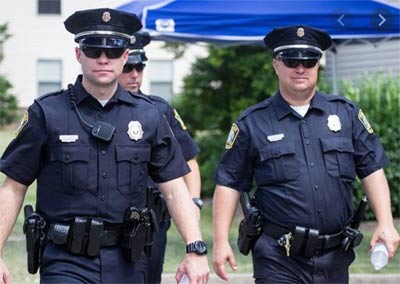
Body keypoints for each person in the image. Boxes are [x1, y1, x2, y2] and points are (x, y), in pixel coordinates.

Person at [0, 8, 209, 284]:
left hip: (128, 261)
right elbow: (14, 188)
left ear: (125, 56)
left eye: (113, 51)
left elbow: (173, 188)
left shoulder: (149, 116)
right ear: (78, 54)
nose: (102, 59)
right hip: (65, 261)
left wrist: (195, 248)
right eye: (93, 49)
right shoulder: (46, 113)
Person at [212, 25, 399, 283]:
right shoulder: (252, 123)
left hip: (335, 257)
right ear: (276, 64)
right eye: (291, 60)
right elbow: (229, 183)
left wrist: (386, 223)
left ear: (317, 66)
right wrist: (221, 241)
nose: (300, 68)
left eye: (309, 60)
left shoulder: (346, 114)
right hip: (279, 257)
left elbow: (372, 169)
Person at [119, 32, 203, 284]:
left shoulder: (159, 109)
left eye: (140, 67)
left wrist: (194, 204)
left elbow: (189, 161)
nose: (135, 74)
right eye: (128, 67)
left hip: (153, 219)